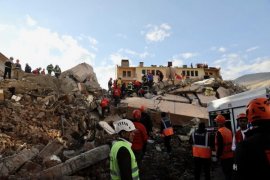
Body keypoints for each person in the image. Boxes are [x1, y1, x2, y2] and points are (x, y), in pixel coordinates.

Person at [233, 97, 270, 180]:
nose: (242, 122)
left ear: (248, 119)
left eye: (243, 120)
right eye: (240, 121)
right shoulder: (237, 134)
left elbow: (237, 174)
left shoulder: (244, 146)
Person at [214, 114, 233, 180]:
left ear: (218, 122)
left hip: (224, 157)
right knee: (232, 170)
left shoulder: (219, 132)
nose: (216, 123)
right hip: (231, 156)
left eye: (216, 122)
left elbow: (220, 146)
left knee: (226, 172)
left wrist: (217, 156)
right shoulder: (229, 130)